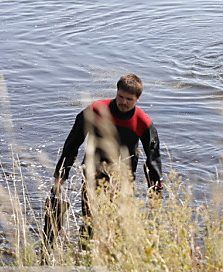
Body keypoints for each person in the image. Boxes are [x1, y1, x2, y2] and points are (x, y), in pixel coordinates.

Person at [52, 73, 162, 239]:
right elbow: (72, 144)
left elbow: (153, 160)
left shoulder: (143, 123)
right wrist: (61, 175)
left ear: (137, 99)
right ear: (116, 92)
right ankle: (86, 258)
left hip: (123, 180)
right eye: (120, 96)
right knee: (90, 222)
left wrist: (155, 192)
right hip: (92, 174)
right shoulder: (96, 111)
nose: (123, 102)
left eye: (129, 99)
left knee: (118, 228)